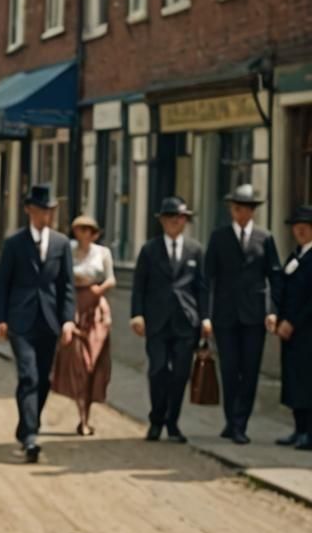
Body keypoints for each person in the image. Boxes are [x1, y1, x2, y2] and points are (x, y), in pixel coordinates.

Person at [0, 183, 76, 463]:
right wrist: (0, 319)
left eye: (50, 210)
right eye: (41, 210)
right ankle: (30, 436)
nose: (46, 215)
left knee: (44, 379)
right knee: (28, 376)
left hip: (50, 321)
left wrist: (67, 321)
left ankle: (27, 425)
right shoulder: (14, 243)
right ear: (29, 210)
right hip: (20, 320)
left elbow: (67, 286)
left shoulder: (62, 244)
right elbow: (2, 283)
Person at [205, 183, 283, 444]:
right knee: (229, 369)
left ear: (253, 211)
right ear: (231, 210)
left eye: (246, 209)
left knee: (250, 371)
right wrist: (206, 315)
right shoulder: (219, 237)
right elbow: (208, 278)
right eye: (237, 208)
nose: (241, 213)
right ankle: (231, 420)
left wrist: (274, 310)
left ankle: (241, 422)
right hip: (225, 316)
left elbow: (275, 276)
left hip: (254, 316)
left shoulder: (265, 238)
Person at [129, 197, 209, 443]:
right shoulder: (149, 250)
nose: (176, 222)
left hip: (186, 321)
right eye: (171, 218)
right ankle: (156, 421)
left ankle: (173, 422)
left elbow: (203, 288)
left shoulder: (195, 250)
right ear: (163, 221)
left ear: (185, 221)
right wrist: (137, 314)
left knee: (180, 374)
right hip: (157, 321)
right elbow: (139, 286)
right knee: (158, 370)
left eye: (181, 218)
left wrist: (206, 318)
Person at [51, 215, 115, 436]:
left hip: (95, 311)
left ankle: (86, 413)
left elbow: (111, 278)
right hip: (74, 307)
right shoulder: (67, 249)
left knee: (93, 366)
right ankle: (82, 418)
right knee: (78, 364)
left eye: (88, 230)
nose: (83, 234)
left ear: (95, 233)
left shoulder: (102, 253)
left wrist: (100, 289)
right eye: (79, 230)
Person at [274, 204, 312, 449]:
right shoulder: (295, 256)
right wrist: (279, 319)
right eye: (297, 227)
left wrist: (293, 321)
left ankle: (309, 432)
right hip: (289, 332)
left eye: (305, 227)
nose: (300, 231)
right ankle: (298, 429)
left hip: (307, 330)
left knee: (307, 381)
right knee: (293, 380)